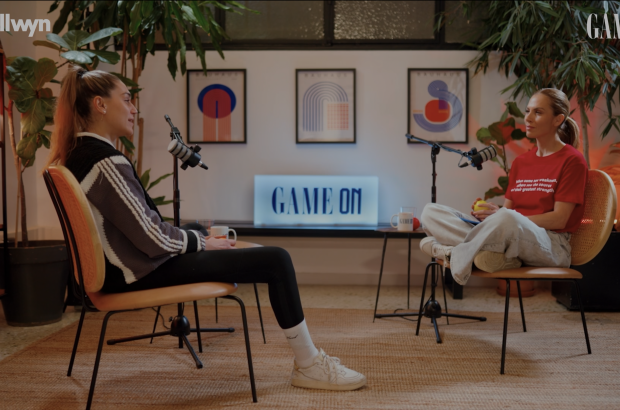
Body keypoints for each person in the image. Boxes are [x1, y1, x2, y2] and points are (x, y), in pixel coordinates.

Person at [44, 66, 366, 391]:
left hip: (122, 268)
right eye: (126, 99)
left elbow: (142, 229)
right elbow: (151, 237)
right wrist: (202, 244)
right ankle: (309, 365)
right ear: (100, 104)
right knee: (276, 260)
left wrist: (198, 238)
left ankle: (306, 359)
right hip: (136, 272)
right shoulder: (105, 162)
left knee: (198, 229)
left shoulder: (78, 154)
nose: (133, 109)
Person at [419, 88, 588, 286]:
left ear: (558, 119)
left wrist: (506, 218)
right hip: (509, 235)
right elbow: (507, 212)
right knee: (430, 212)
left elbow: (559, 219)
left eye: (538, 112)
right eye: (527, 111)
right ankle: (487, 254)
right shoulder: (521, 162)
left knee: (429, 241)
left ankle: (447, 251)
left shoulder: (572, 160)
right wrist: (494, 213)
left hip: (551, 244)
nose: (528, 118)